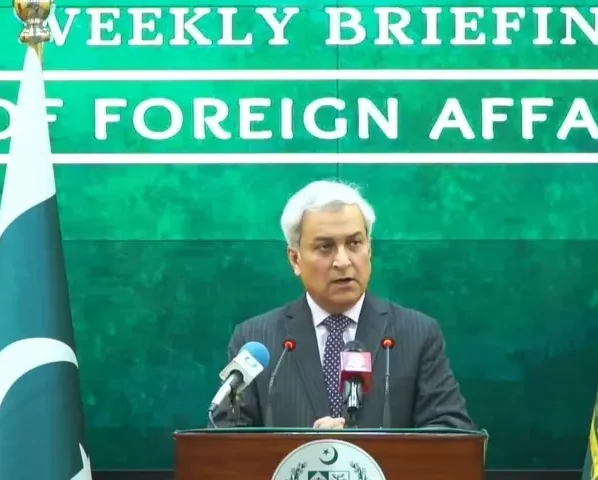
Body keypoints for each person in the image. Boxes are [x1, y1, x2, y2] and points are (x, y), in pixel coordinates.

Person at [211, 179, 475, 430]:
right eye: (325, 247)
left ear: (369, 249)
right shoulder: (255, 340)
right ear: (295, 259)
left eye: (354, 243)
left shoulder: (417, 334)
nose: (343, 261)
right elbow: (226, 437)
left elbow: (451, 430)